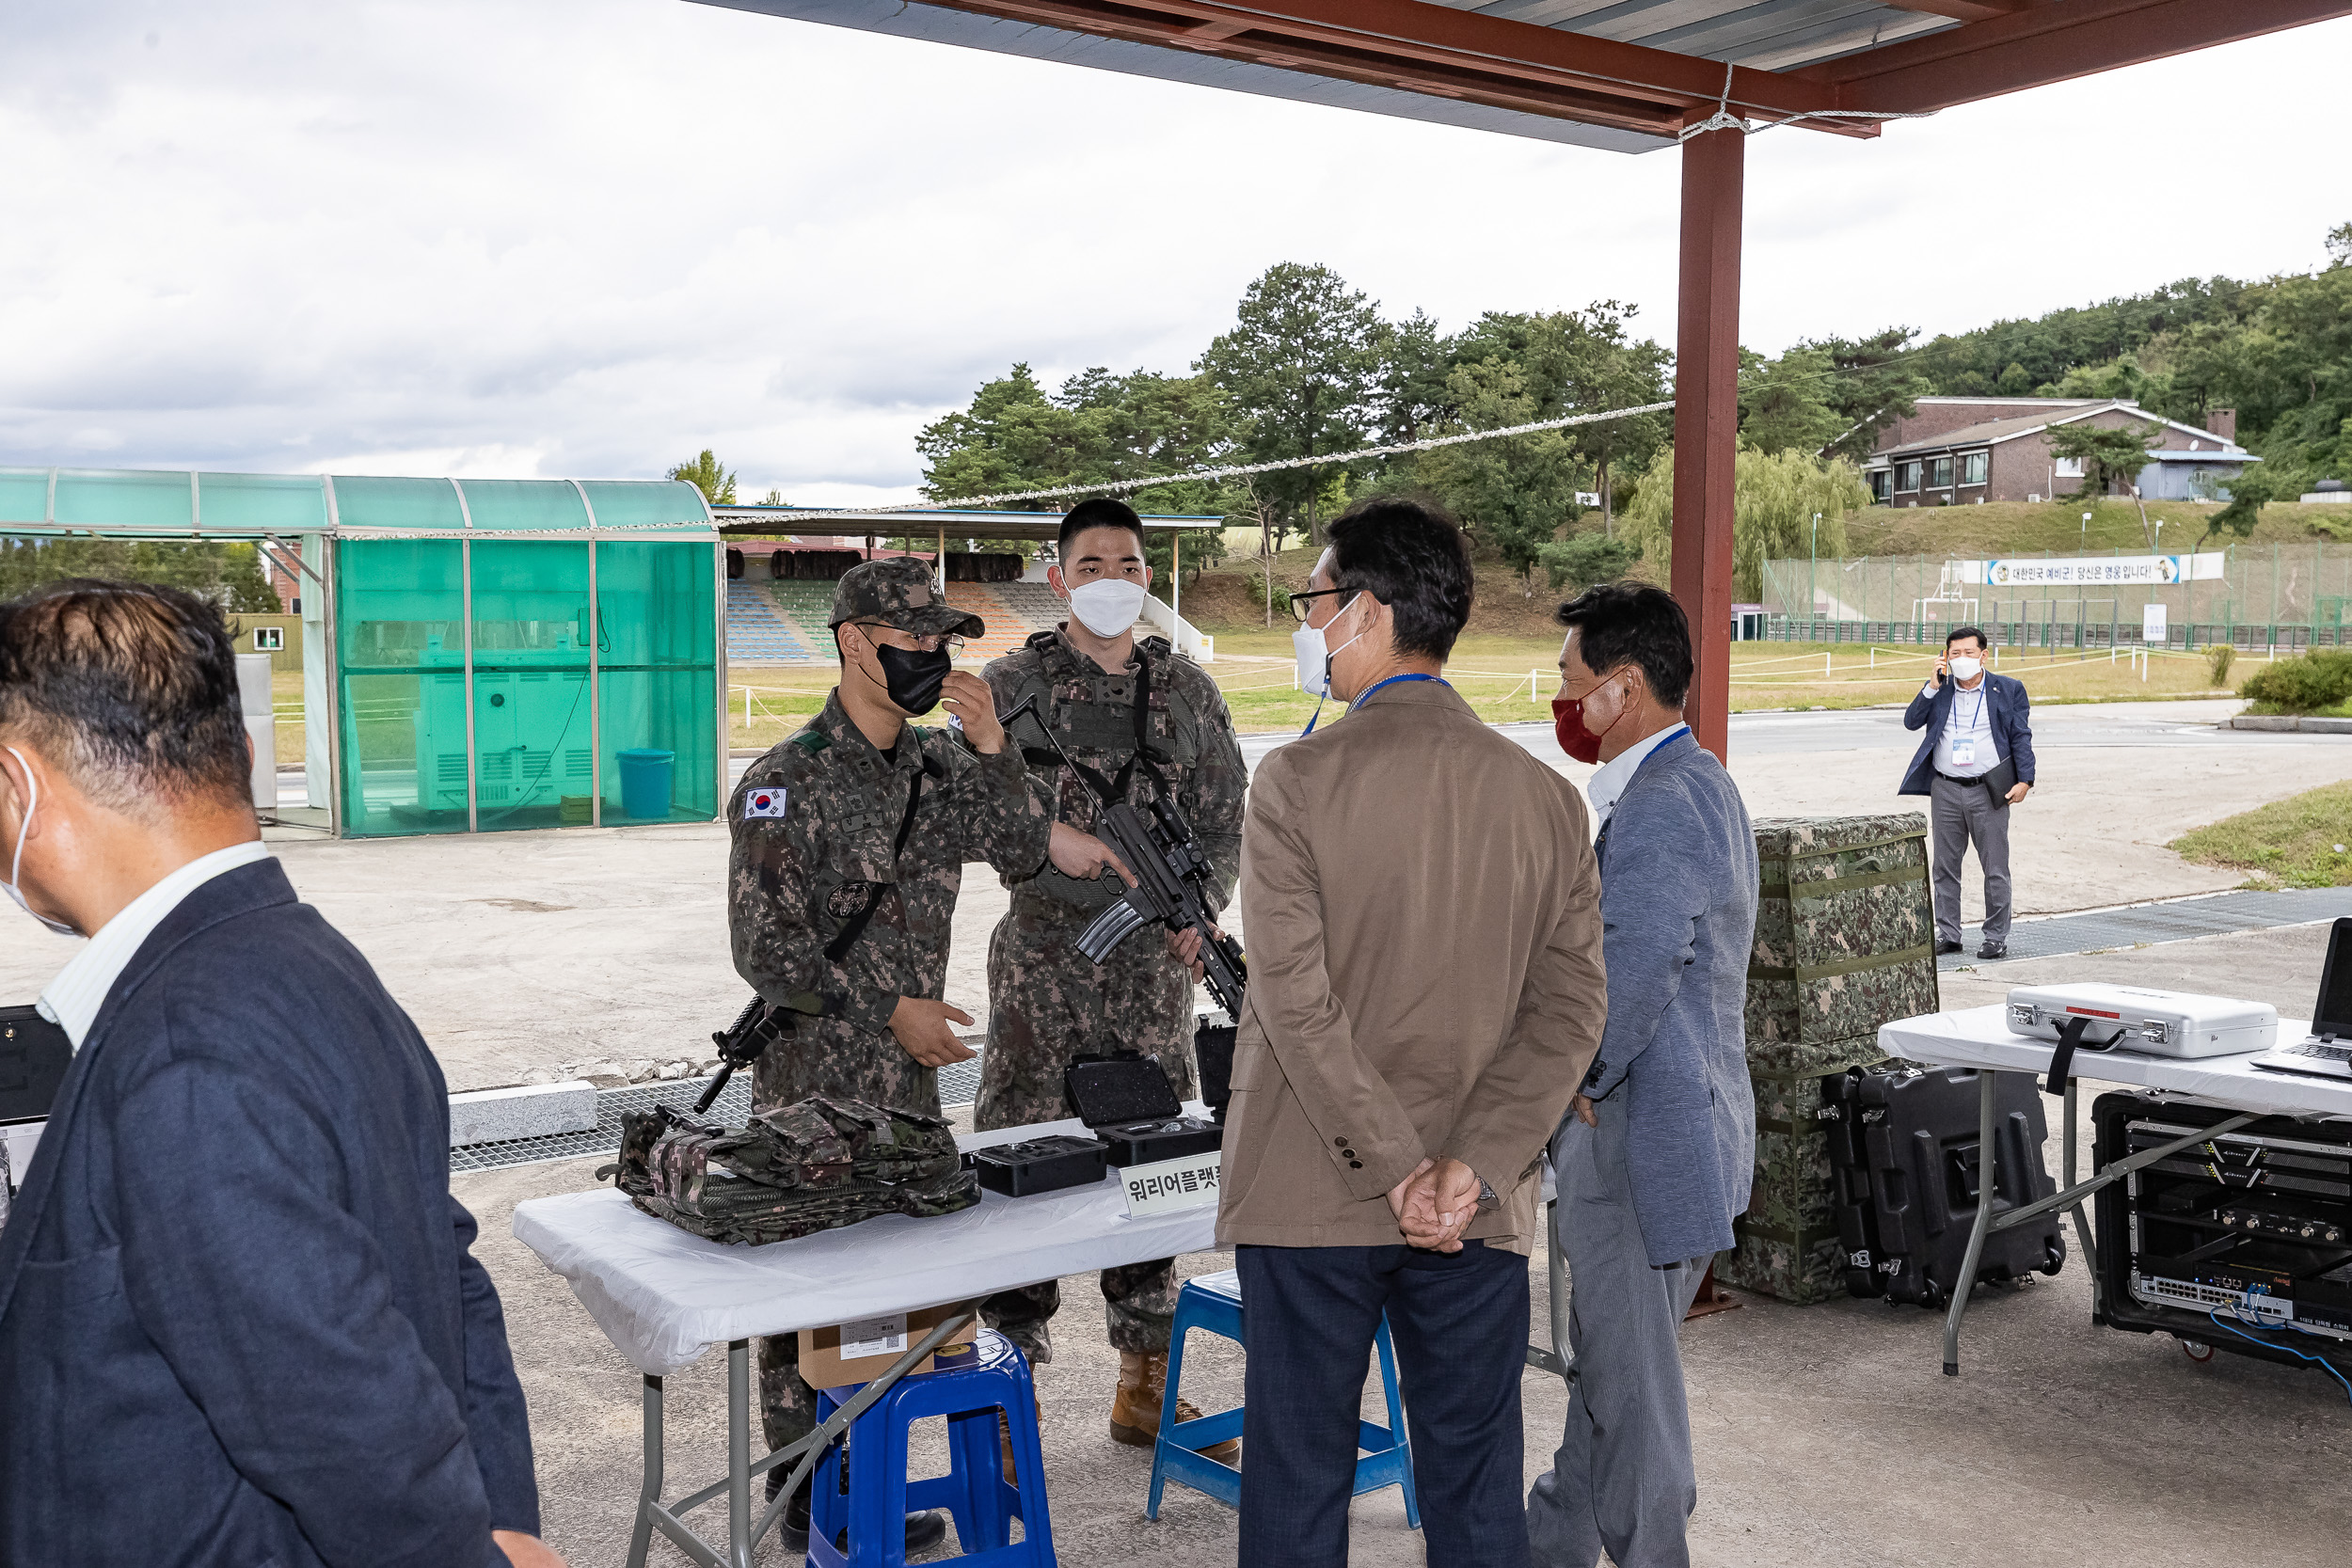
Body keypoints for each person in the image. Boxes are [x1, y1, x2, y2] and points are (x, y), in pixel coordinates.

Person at [0, 580, 560, 1568]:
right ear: (244, 756)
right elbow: (444, 1270)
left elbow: (340, 1416)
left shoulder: (183, 1047)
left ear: (15, 784)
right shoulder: (309, 962)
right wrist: (502, 1514)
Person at [1216, 497, 1607, 1568]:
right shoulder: (1543, 798)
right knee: (1472, 1479)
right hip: (1474, 1206)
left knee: (1298, 1469)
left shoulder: (1295, 781)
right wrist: (1465, 1168)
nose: (1308, 625)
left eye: (1315, 601)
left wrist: (1394, 1170)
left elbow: (1295, 1002)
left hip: (1313, 1191)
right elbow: (1570, 1008)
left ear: (1368, 612)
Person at [727, 555, 1120, 1552]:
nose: (933, 658)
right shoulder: (784, 780)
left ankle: (870, 1490)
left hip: (907, 1089)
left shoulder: (939, 769)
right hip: (813, 1087)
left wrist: (990, 744)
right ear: (856, 641)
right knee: (806, 1307)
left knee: (896, 1298)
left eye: (944, 642)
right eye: (915, 641)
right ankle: (811, 1505)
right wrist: (885, 1008)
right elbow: (767, 952)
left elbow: (1021, 849)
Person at [976, 498, 1248, 1456]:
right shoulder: (1008, 685)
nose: (1111, 578)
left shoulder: (1189, 692)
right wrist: (1058, 846)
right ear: (1057, 578)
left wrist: (1195, 908)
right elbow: (971, 804)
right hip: (1044, 960)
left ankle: (1143, 1383)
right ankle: (1008, 1393)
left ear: (1146, 579)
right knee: (1023, 1164)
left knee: (1152, 1171)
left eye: (1128, 564)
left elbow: (1223, 816)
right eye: (1091, 562)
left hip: (1149, 974)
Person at [1525, 581, 1759, 1568]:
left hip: (1638, 1138)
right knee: (1612, 1377)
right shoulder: (1699, 779)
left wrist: (1572, 1073)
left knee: (1632, 1393)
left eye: (1575, 685)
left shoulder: (1659, 805)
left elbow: (1641, 956)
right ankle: (1541, 1545)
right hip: (1687, 1123)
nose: (1567, 705)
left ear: (1624, 690)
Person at [1899, 626, 2034, 960]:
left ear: (1983, 655)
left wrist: (2026, 780)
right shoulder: (1940, 690)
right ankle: (1948, 933)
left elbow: (2021, 737)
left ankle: (1995, 936)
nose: (1961, 659)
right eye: (1954, 654)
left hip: (1988, 790)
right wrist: (1931, 686)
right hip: (1945, 788)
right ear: (1945, 658)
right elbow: (1910, 721)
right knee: (1944, 866)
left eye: (1968, 653)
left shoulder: (2009, 689)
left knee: (1995, 867)